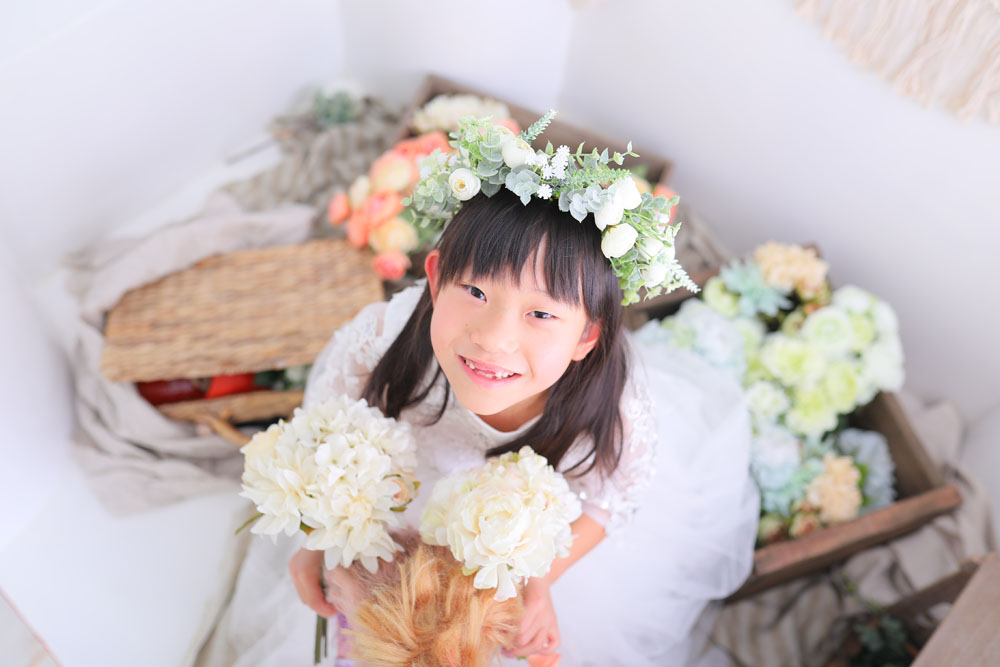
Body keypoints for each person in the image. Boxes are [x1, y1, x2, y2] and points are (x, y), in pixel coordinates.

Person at [285, 140, 760, 665]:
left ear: (586, 335)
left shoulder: (614, 409)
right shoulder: (380, 341)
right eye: (476, 292)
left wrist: (538, 582)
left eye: (541, 315)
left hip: (517, 540)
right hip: (398, 504)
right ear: (436, 279)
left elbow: (610, 499)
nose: (493, 339)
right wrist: (319, 536)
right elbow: (326, 437)